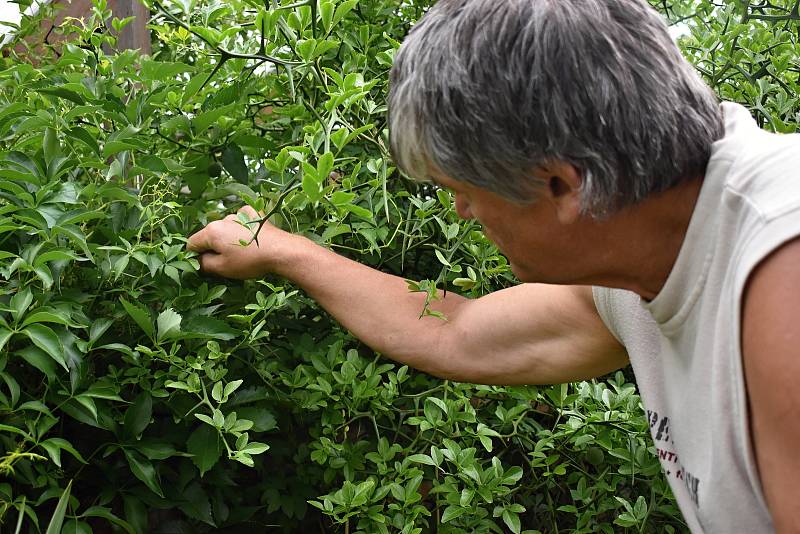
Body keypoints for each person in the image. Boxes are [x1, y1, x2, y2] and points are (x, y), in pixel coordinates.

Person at [187, 0, 800, 531]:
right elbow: (455, 330)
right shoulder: (648, 254)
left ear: (562, 184)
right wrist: (278, 248)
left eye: (465, 190)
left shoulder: (779, 267)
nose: (462, 213)